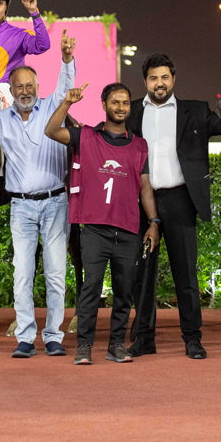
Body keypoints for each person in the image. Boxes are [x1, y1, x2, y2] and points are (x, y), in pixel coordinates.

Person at [0, 29, 77, 357]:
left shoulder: (52, 106)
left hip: (55, 203)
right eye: (19, 86)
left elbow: (66, 89)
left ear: (37, 88)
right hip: (21, 207)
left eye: (30, 86)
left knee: (54, 274)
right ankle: (25, 337)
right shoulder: (0, 120)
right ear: (11, 89)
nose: (25, 91)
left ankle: (53, 337)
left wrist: (66, 60)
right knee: (22, 274)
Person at [125, 53, 221, 359]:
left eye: (164, 77)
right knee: (141, 274)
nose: (159, 84)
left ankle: (192, 338)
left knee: (185, 275)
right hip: (141, 203)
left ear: (174, 79)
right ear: (145, 81)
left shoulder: (196, 111)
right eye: (153, 78)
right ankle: (144, 337)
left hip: (180, 200)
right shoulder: (132, 113)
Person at [44, 82, 160, 365]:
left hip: (129, 229)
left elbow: (145, 187)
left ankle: (116, 345)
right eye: (115, 102)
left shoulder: (139, 146)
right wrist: (67, 103)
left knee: (124, 291)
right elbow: (50, 131)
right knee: (90, 289)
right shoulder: (84, 136)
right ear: (104, 105)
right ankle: (84, 346)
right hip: (94, 228)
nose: (121, 107)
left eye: (125, 103)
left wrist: (154, 222)